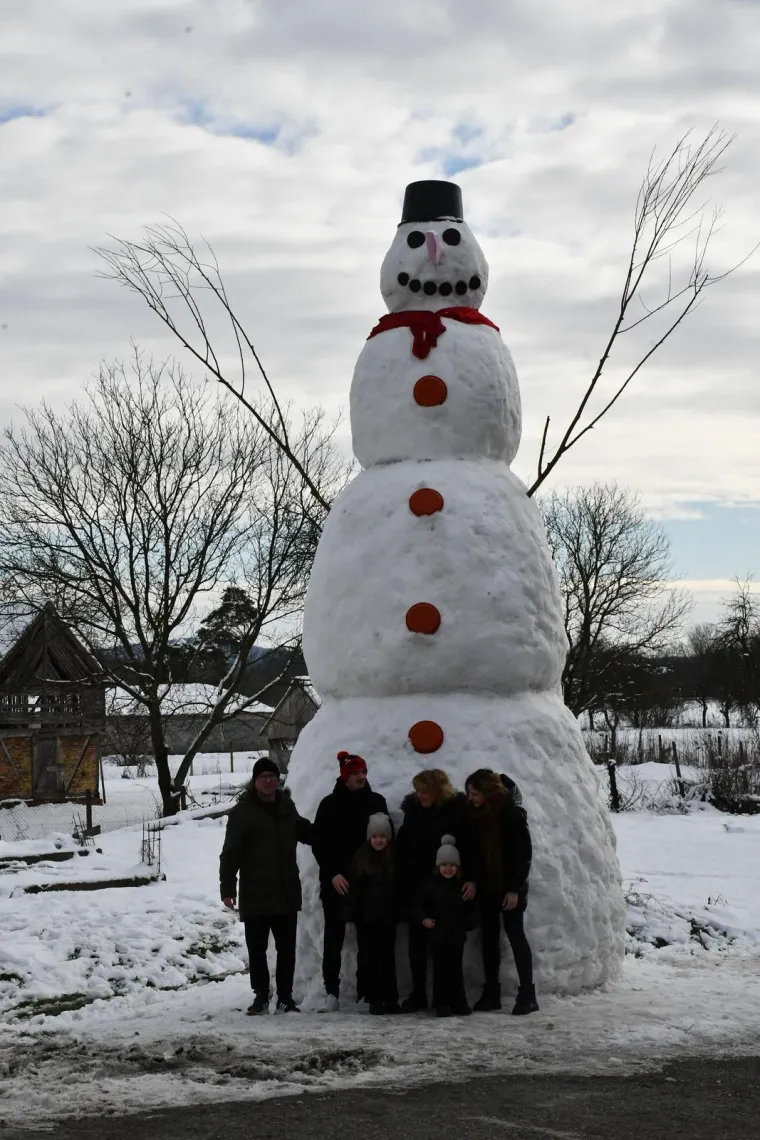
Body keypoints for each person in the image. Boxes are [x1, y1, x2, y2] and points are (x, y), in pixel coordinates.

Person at [219, 756, 313, 1015]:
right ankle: (261, 994)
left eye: (272, 776)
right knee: (257, 949)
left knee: (286, 949)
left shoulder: (286, 806)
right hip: (256, 892)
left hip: (285, 890)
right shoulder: (242, 812)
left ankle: (285, 997)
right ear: (255, 781)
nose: (269, 781)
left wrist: (326, 832)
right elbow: (230, 853)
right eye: (263, 777)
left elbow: (303, 831)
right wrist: (227, 888)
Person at [311, 750, 391, 1011]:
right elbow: (319, 843)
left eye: (363, 772)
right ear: (344, 776)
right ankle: (331, 992)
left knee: (368, 938)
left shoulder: (376, 802)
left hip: (368, 882)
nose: (361, 776)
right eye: (355, 773)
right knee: (333, 936)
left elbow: (386, 839)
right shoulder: (329, 804)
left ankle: (366, 990)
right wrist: (332, 873)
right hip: (337, 881)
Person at [396, 768, 476, 1012]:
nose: (420, 795)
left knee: (448, 948)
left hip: (446, 888)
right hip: (417, 886)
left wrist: (470, 879)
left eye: (425, 791)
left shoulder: (456, 814)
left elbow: (470, 848)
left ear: (438, 791)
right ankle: (418, 994)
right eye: (417, 791)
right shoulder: (413, 814)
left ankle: (451, 998)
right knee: (417, 946)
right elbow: (402, 850)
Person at [465, 768, 538, 1016]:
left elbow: (523, 854)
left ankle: (528, 993)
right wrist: (473, 880)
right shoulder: (476, 815)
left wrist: (514, 889)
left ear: (488, 793)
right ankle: (491, 992)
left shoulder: (511, 814)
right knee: (488, 938)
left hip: (509, 887)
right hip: (487, 886)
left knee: (516, 935)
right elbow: (474, 853)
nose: (470, 798)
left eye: (474, 794)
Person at [343, 812, 400, 1015]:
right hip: (366, 919)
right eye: (374, 836)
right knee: (371, 959)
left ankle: (391, 999)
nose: (378, 840)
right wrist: (350, 917)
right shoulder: (361, 859)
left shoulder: (394, 858)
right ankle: (375, 999)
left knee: (388, 958)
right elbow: (353, 892)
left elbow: (400, 888)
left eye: (382, 836)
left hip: (388, 917)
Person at [416, 834, 475, 1017]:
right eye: (444, 865)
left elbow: (472, 909)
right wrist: (424, 919)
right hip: (438, 935)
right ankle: (441, 1003)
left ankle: (459, 1002)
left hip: (456, 935)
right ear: (438, 866)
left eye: (452, 865)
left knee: (455, 970)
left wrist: (467, 923)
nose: (448, 869)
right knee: (440, 970)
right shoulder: (430, 885)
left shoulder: (462, 887)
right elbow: (419, 905)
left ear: (458, 867)